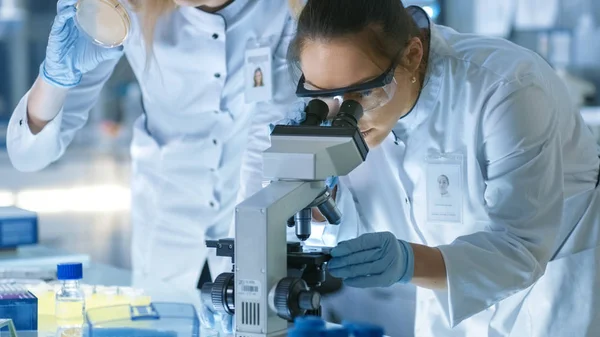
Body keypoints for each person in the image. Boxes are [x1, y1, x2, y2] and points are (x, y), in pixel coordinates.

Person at [288, 1, 600, 336]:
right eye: (324, 97)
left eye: (363, 92)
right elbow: (361, 226)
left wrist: (408, 262)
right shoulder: (362, 106)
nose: (347, 114)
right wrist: (317, 193)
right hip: (448, 302)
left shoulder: (507, 88)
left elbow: (519, 251)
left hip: (548, 296)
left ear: (412, 55)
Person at [6, 0, 301, 324]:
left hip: (250, 217)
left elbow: (269, 135)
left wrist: (253, 253)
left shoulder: (280, 9)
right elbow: (27, 156)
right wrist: (54, 78)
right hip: (165, 226)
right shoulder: (131, 7)